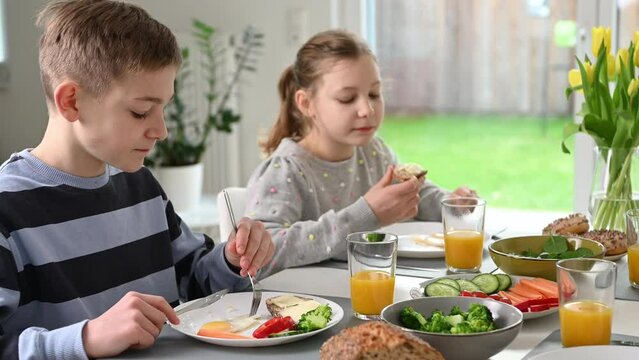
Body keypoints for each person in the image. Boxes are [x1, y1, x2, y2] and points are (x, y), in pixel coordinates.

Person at [0, 1, 274, 359]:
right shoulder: (8, 209)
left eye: (164, 108)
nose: (161, 130)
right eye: (141, 111)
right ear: (71, 102)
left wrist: (231, 259)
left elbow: (193, 279)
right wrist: (87, 338)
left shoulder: (141, 187)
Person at [245, 30, 476, 279]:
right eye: (347, 98)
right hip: (309, 304)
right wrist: (367, 214)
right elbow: (264, 254)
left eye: (374, 94)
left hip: (373, 290)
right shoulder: (286, 170)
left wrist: (451, 204)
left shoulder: (374, 152)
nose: (367, 109)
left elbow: (413, 193)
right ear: (306, 104)